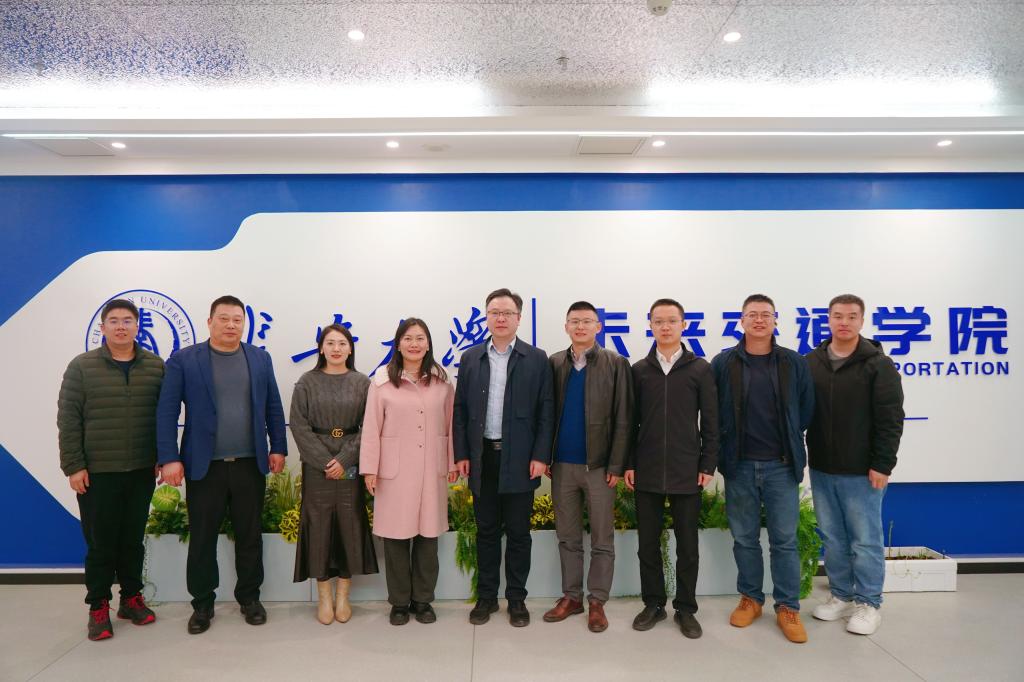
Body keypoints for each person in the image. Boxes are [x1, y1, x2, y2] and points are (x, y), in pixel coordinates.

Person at [156, 295, 287, 635]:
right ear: (210, 321)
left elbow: (273, 406)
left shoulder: (259, 358)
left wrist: (278, 447)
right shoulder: (185, 360)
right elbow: (167, 412)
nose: (231, 325)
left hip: (250, 463)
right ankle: (202, 604)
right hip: (204, 466)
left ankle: (250, 598)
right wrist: (169, 457)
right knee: (202, 539)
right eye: (224, 318)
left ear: (244, 323)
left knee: (249, 536)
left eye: (237, 319)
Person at [57, 298, 165, 641]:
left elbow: (164, 418)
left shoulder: (155, 366)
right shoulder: (82, 367)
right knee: (101, 543)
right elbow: (68, 419)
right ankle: (98, 606)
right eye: (114, 321)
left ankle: (131, 598)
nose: (121, 326)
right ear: (102, 327)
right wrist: (74, 465)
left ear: (137, 326)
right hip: (97, 472)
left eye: (127, 320)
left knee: (132, 540)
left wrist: (163, 456)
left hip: (141, 469)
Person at [710, 294, 814, 644]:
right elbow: (714, 411)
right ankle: (751, 598)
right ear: (741, 321)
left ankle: (787, 606)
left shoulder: (793, 362)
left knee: (785, 541)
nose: (759, 320)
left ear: (775, 320)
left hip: (781, 466)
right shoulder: (723, 363)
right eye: (752, 314)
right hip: (739, 465)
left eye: (765, 314)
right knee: (744, 538)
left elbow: (806, 409)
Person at [453, 288, 554, 627]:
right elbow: (460, 410)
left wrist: (541, 455)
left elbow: (546, 411)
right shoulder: (471, 358)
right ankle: (486, 597)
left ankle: (516, 599)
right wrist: (462, 453)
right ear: (486, 317)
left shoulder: (536, 358)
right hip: (482, 457)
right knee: (486, 531)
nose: (500, 318)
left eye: (507, 313)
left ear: (518, 318)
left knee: (519, 533)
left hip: (521, 460)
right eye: (494, 312)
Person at [806, 294, 905, 636]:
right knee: (832, 538)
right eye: (837, 316)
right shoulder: (812, 362)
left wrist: (883, 464)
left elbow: (891, 420)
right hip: (822, 467)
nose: (844, 322)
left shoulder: (878, 365)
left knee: (865, 540)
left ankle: (868, 603)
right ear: (828, 320)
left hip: (864, 471)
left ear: (862, 321)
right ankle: (841, 595)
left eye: (851, 316)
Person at [625, 298, 719, 639]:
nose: (665, 327)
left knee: (687, 546)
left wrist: (708, 463)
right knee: (647, 544)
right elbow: (630, 423)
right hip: (647, 469)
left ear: (683, 325)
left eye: (671, 321)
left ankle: (686, 608)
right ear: (650, 325)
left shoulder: (700, 369)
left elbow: (712, 421)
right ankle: (653, 603)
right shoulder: (639, 370)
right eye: (658, 321)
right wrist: (629, 463)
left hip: (687, 469)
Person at [360, 318, 459, 626]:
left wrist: (452, 463)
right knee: (396, 538)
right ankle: (400, 602)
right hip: (394, 471)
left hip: (432, 469)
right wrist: (369, 469)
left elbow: (451, 427)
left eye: (420, 338)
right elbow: (371, 428)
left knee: (428, 537)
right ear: (398, 344)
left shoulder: (442, 382)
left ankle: (423, 601)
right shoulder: (381, 382)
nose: (414, 344)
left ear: (428, 344)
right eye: (408, 338)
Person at [543, 301, 633, 633]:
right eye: (574, 321)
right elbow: (545, 415)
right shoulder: (554, 363)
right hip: (562, 466)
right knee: (567, 537)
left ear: (598, 326)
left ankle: (597, 602)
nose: (580, 327)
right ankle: (571, 597)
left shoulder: (615, 363)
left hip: (599, 467)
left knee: (602, 539)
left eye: (587, 321)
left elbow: (624, 418)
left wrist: (617, 464)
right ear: (566, 326)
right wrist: (546, 455)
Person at [290, 323, 378, 625]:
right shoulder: (307, 382)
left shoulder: (362, 382)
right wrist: (325, 461)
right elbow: (299, 426)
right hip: (317, 467)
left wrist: (344, 459)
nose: (336, 348)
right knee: (319, 526)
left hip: (350, 463)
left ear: (350, 348)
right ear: (321, 348)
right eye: (330, 343)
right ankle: (324, 596)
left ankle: (343, 596)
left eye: (342, 343)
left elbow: (370, 426)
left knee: (349, 524)